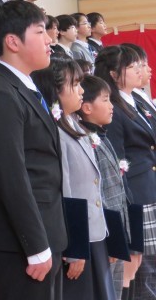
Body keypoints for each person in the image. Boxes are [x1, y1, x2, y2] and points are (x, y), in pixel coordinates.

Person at [0, 0, 67, 300]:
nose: (49, 40)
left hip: (45, 228)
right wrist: (35, 245)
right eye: (40, 32)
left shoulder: (24, 87)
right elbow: (11, 177)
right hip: (19, 241)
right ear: (13, 42)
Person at [32, 58, 115, 299]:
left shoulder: (75, 123)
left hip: (94, 232)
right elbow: (65, 190)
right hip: (78, 236)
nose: (81, 91)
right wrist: (75, 248)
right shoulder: (55, 132)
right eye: (75, 84)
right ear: (55, 91)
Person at [94, 45, 155, 299]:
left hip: (148, 184)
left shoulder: (134, 99)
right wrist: (127, 202)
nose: (140, 70)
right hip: (136, 192)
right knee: (142, 266)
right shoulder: (115, 108)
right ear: (114, 74)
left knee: (149, 264)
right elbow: (118, 161)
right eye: (132, 66)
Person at [79, 75, 132, 300]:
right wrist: (112, 237)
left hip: (116, 228)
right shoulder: (87, 140)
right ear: (87, 107)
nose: (111, 106)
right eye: (105, 100)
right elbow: (98, 193)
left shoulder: (101, 135)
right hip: (107, 232)